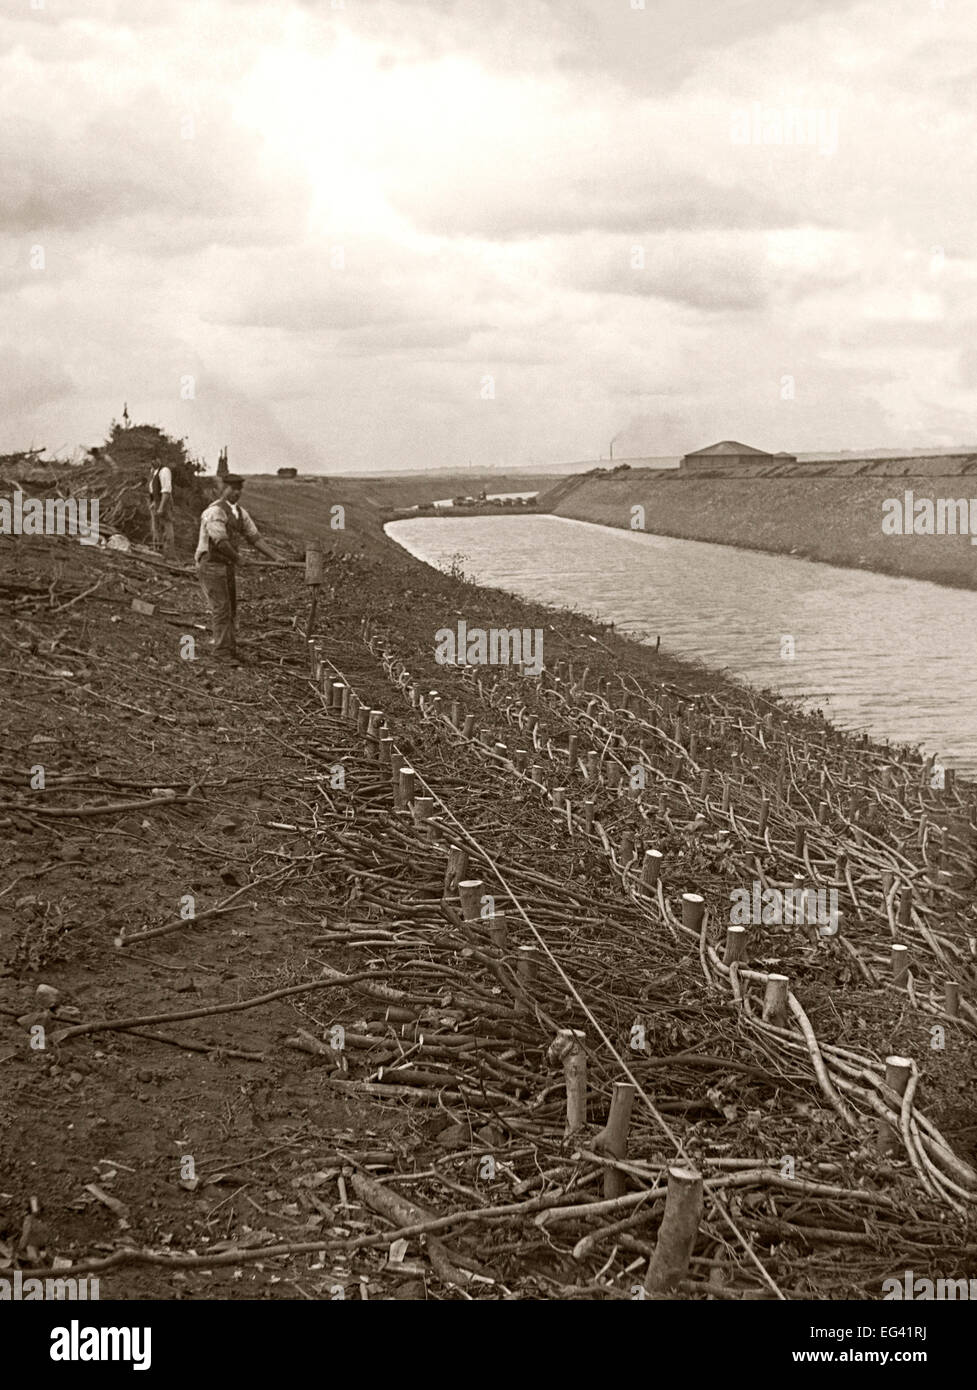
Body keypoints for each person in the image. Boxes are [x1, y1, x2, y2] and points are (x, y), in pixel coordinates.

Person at [195, 475, 281, 666]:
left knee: (231, 608)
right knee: (221, 608)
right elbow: (221, 542)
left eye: (239, 489)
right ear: (223, 488)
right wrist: (238, 558)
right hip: (210, 564)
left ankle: (230, 649)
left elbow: (255, 538)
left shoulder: (240, 513)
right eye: (233, 489)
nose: (237, 492)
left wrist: (276, 558)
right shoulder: (214, 512)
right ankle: (220, 652)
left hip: (226, 566)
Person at [149, 460, 175, 557]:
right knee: (155, 528)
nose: (152, 463)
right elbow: (152, 489)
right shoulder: (153, 471)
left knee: (166, 527)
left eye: (154, 460)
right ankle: (158, 551)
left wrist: (161, 507)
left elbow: (166, 491)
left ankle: (169, 553)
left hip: (164, 501)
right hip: (156, 501)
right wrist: (153, 503)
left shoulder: (164, 471)